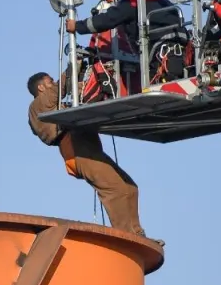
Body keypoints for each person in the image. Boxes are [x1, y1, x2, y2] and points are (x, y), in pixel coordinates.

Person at [26, 71, 153, 240]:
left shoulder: (53, 106)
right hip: (77, 151)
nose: (53, 84)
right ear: (41, 87)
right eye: (50, 82)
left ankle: (136, 233)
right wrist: (73, 68)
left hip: (88, 150)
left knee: (129, 188)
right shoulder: (37, 105)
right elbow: (60, 88)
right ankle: (126, 236)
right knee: (116, 189)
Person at [65, 0, 190, 86]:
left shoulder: (132, 0)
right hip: (181, 56)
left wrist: (77, 26)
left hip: (160, 58)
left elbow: (107, 20)